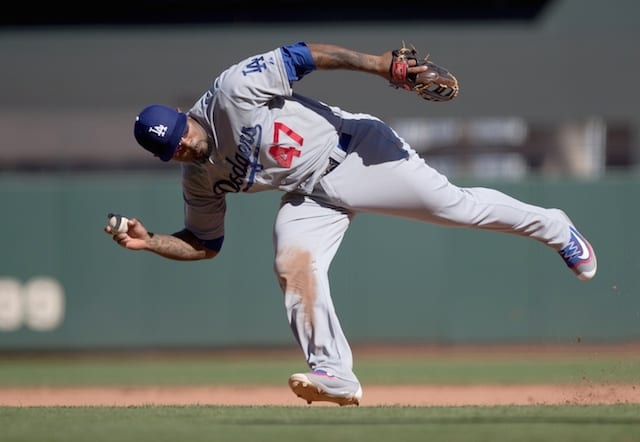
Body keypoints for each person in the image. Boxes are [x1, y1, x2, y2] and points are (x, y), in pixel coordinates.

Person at [105, 41, 597, 406]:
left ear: (181, 114)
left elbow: (302, 56)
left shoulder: (233, 91)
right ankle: (335, 373)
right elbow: (204, 243)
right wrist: (152, 243)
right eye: (173, 150)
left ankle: (554, 227)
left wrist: (380, 66)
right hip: (310, 194)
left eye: (182, 134)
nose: (185, 146)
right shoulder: (198, 179)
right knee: (291, 262)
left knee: (456, 208)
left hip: (355, 151)